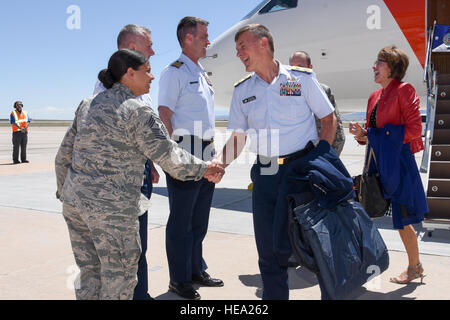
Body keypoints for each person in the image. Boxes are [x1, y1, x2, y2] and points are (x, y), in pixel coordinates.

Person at [55, 49, 224, 300]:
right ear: (129, 74)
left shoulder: (87, 104)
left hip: (75, 206)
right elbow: (170, 158)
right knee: (119, 278)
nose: (152, 77)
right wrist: (206, 168)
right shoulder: (137, 111)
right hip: (112, 211)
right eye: (147, 71)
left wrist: (66, 192)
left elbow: (62, 157)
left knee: (90, 273)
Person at [215, 24, 337, 300]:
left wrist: (322, 157)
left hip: (302, 168)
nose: (238, 54)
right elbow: (237, 138)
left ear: (262, 44)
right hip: (267, 172)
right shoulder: (243, 90)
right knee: (270, 249)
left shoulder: (299, 80)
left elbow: (328, 119)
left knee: (316, 242)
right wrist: (220, 163)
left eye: (241, 47)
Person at [349, 45, 428, 284]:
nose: (374, 66)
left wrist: (375, 135)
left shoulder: (404, 90)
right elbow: (373, 134)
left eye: (379, 62)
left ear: (392, 67)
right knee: (366, 212)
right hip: (376, 165)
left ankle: (415, 267)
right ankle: (359, 265)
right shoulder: (374, 96)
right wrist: (363, 134)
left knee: (403, 220)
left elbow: (415, 130)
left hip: (398, 165)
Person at [158, 16, 223, 301]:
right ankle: (179, 279)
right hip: (185, 151)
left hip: (206, 150)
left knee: (199, 218)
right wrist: (173, 156)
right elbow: (164, 114)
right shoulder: (175, 72)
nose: (208, 40)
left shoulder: (201, 72)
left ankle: (196, 270)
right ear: (188, 39)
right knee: (181, 220)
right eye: (204, 36)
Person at [93, 24, 157, 300]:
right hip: (121, 177)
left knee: (138, 243)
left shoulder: (140, 81)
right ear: (130, 47)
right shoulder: (109, 88)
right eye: (148, 45)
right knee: (125, 248)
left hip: (139, 169)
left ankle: (139, 294)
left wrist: (151, 162)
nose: (153, 50)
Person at [289, 51, 345, 156]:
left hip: (317, 156)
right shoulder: (286, 93)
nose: (296, 71)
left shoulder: (322, 91)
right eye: (292, 67)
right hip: (294, 158)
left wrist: (327, 158)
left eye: (300, 66)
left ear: (310, 67)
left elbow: (338, 134)